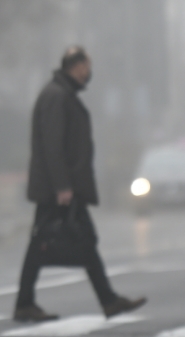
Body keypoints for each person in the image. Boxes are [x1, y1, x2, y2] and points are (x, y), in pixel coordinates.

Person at [13, 47, 146, 323]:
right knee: (46, 243)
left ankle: (107, 300)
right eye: (87, 66)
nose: (89, 72)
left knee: (79, 241)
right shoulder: (57, 97)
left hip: (64, 186)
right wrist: (63, 186)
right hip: (58, 189)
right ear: (78, 66)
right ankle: (27, 303)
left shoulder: (63, 95)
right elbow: (53, 146)